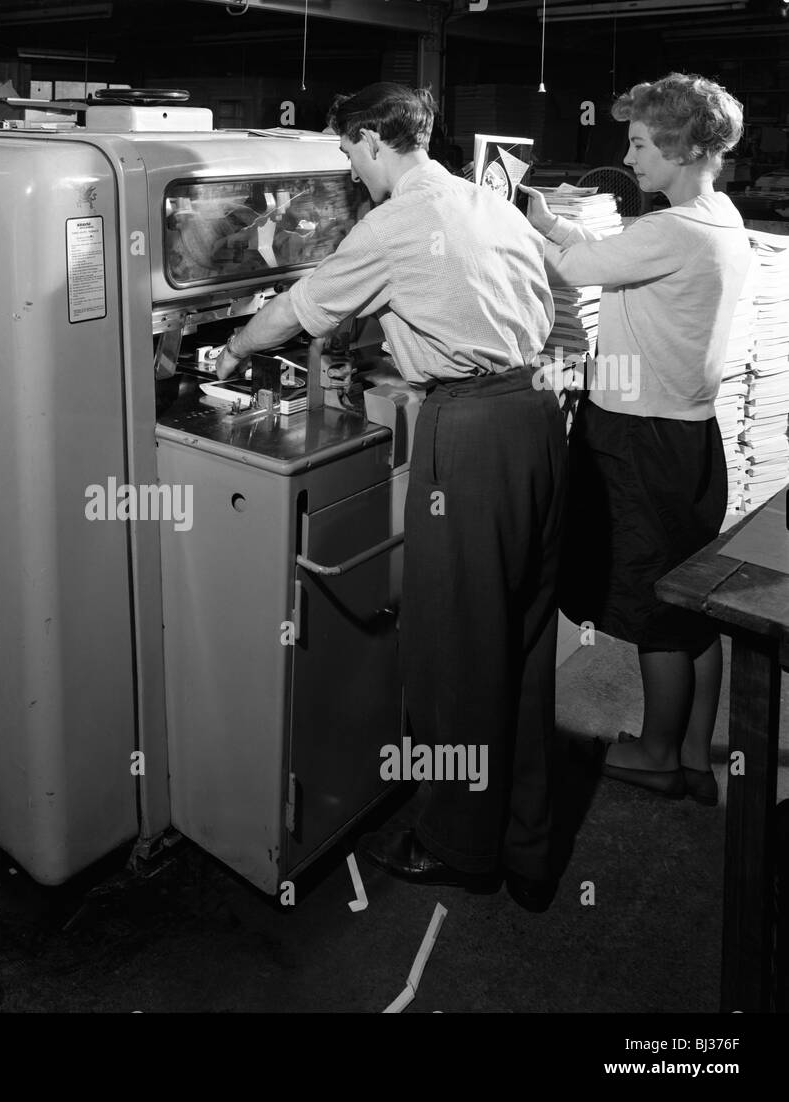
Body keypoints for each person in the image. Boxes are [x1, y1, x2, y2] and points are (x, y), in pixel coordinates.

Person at [215, 83, 566, 911]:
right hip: (537, 419)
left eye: (345, 151)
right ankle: (527, 844)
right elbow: (510, 301)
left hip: (470, 433)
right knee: (523, 638)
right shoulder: (487, 203)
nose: (347, 167)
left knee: (453, 651)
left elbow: (296, 309)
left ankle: (456, 844)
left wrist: (233, 347)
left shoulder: (398, 221)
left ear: (373, 140)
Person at [519, 73, 750, 805]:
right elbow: (610, 250)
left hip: (638, 439)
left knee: (652, 606)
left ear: (682, 150)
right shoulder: (715, 217)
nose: (631, 155)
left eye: (643, 143)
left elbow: (581, 269)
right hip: (686, 436)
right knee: (686, 606)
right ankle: (689, 755)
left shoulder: (671, 229)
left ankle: (653, 753)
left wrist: (516, 223)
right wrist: (552, 220)